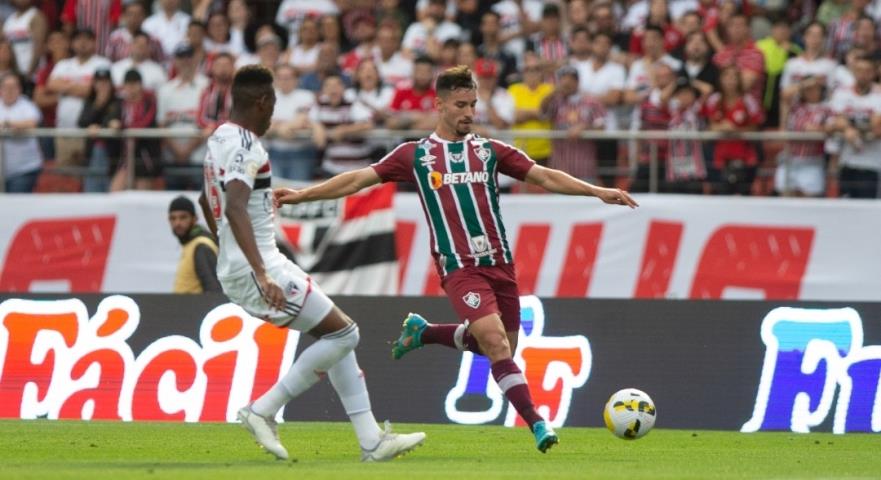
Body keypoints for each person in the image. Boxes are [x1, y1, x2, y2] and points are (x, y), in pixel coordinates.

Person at [272, 65, 638, 453]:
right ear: (439, 105)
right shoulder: (416, 155)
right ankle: (537, 424)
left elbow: (544, 176)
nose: (469, 112)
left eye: (473, 104)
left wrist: (597, 191)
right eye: (460, 104)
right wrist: (303, 194)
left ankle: (425, 332)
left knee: (502, 349)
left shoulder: (489, 151)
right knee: (495, 343)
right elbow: (357, 179)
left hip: (500, 265)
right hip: (459, 268)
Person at [198, 64, 425, 462]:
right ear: (262, 102)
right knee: (346, 335)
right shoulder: (248, 146)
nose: (273, 116)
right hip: (261, 267)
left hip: (250, 263)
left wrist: (232, 253)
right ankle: (263, 410)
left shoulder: (218, 138)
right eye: (272, 107)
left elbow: (209, 202)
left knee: (333, 335)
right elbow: (234, 206)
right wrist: (259, 271)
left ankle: (371, 440)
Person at [541, 65, 607, 183]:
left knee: (585, 201)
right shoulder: (555, 102)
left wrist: (585, 127)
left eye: (571, 79)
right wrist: (554, 91)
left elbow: (601, 126)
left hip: (585, 169)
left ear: (577, 81)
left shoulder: (591, 102)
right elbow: (542, 111)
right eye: (563, 79)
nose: (567, 83)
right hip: (559, 170)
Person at [168, 195, 221, 293]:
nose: (177, 223)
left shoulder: (201, 246)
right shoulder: (190, 244)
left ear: (195, 218)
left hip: (194, 307)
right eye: (173, 218)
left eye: (183, 217)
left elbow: (214, 290)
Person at [0, 73, 42, 192]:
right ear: (0, 89)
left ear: (19, 89)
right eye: (6, 87)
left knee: (17, 207)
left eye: (13, 87)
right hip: (2, 170)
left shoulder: (27, 105)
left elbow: (32, 123)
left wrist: (7, 124)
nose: (9, 91)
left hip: (24, 169)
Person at [3, 0, 48, 78]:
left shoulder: (35, 16)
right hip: (15, 72)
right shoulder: (9, 20)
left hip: (33, 73)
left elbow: (39, 48)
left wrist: (30, 72)